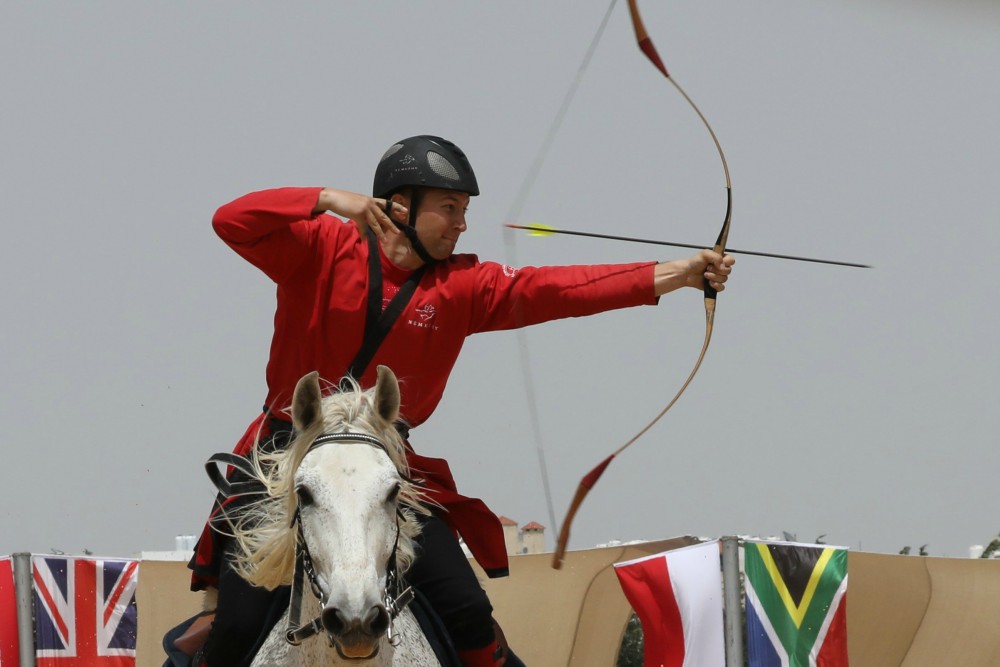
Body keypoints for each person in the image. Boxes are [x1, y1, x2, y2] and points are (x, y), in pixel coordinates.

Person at [188, 135, 734, 667]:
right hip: (287, 457)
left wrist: (680, 274)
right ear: (398, 206)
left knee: (469, 611)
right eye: (449, 207)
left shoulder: (463, 286)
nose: (462, 223)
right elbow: (229, 221)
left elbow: (561, 289)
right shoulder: (319, 247)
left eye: (465, 209)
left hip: (385, 465)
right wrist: (329, 199)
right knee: (234, 628)